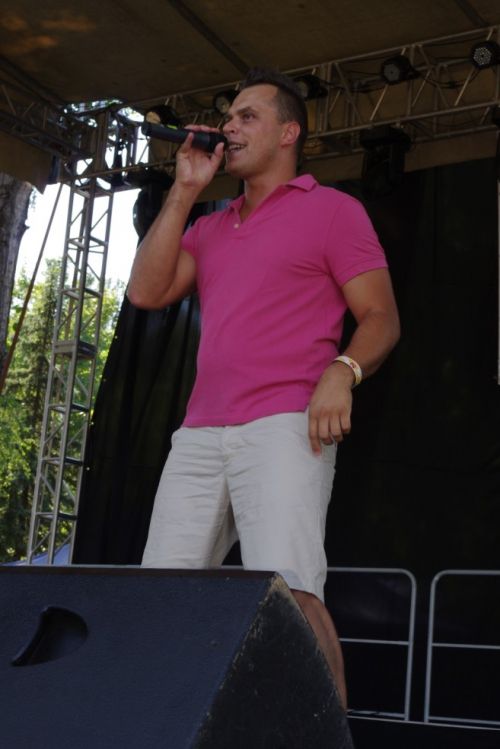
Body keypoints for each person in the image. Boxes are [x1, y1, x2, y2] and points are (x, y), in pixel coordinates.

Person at [127, 68, 400, 710]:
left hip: (285, 425)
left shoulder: (333, 211)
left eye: (247, 116)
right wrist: (184, 190)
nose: (229, 127)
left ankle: (326, 733)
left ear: (287, 133)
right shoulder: (210, 226)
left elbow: (382, 318)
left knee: (290, 592)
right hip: (200, 433)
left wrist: (343, 370)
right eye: (228, 117)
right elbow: (145, 292)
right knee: (157, 594)